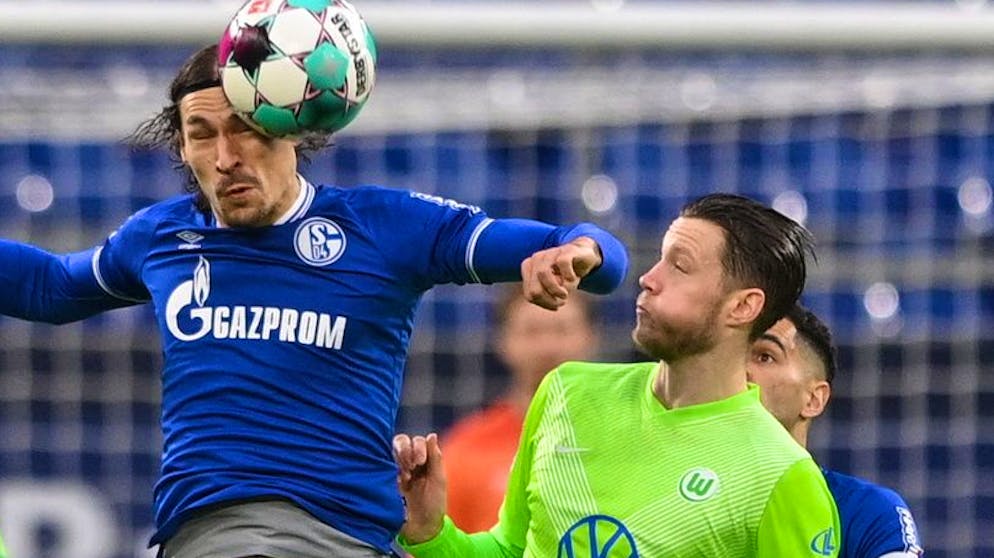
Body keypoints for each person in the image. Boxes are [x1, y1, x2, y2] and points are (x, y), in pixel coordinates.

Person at [0, 44, 629, 558]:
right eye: (201, 134)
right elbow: (48, 286)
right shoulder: (163, 236)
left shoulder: (383, 227)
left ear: (292, 127)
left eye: (246, 129)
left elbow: (591, 251)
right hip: (220, 532)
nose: (225, 158)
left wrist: (579, 257)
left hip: (356, 537)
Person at [394, 193, 842, 557]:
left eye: (679, 266)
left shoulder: (780, 474)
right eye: (659, 260)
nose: (648, 277)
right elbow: (510, 549)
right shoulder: (567, 392)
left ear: (743, 306)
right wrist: (433, 534)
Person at [747, 304, 925, 558]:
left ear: (814, 399)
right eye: (734, 358)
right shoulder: (682, 494)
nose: (742, 371)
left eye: (765, 356)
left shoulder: (868, 512)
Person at [442, 287, 599, 532]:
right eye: (532, 331)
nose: (548, 346)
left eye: (562, 330)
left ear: (591, 336)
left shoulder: (624, 438)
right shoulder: (466, 449)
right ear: (503, 341)